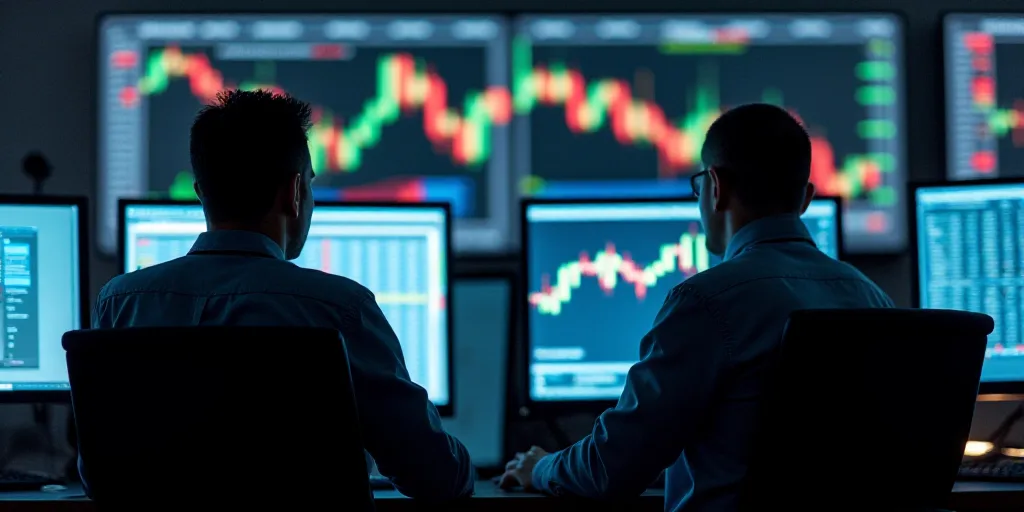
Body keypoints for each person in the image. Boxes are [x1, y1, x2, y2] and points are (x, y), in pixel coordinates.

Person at [499, 103, 894, 510]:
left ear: (715, 186)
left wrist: (542, 467)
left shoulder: (706, 303)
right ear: (807, 198)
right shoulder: (872, 298)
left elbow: (611, 468)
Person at [93, 90, 474, 500]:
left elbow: (99, 472)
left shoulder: (121, 303)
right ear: (294, 192)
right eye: (309, 185)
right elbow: (437, 476)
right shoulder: (340, 310)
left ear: (201, 192)